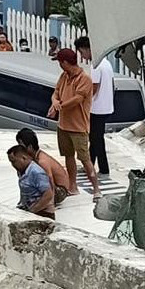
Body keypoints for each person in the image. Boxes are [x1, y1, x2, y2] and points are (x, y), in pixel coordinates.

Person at [48, 48, 100, 199]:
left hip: (78, 127)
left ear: (65, 62)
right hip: (63, 125)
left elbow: (78, 99)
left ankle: (96, 189)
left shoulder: (84, 79)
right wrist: (55, 103)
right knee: (68, 156)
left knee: (85, 159)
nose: (59, 64)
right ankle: (72, 186)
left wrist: (60, 106)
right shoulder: (64, 76)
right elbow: (55, 92)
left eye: (59, 62)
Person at [75, 35, 114, 176]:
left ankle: (97, 167)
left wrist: (83, 100)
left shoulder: (96, 65)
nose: (82, 55)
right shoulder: (106, 63)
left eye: (81, 51)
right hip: (105, 107)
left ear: (87, 49)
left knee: (95, 139)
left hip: (97, 108)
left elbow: (94, 87)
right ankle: (94, 166)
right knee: (96, 138)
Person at [15, 128, 75, 204]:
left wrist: (49, 202)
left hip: (60, 190)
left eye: (21, 146)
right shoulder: (33, 157)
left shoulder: (42, 161)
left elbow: (50, 181)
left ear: (29, 147)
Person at [7, 145, 55, 220]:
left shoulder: (36, 172)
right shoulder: (21, 171)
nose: (13, 165)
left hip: (42, 213)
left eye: (14, 161)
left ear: (23, 158)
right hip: (29, 208)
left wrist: (31, 212)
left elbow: (48, 195)